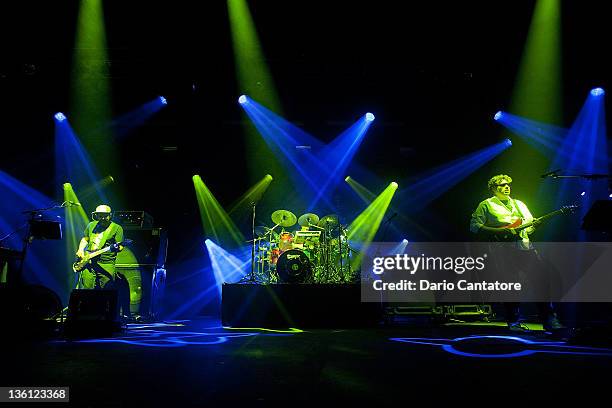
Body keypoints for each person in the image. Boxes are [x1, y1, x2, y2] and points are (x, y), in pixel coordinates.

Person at [469, 174, 563, 332]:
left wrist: (536, 225)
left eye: (508, 185)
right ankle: (513, 322)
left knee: (541, 281)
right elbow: (474, 226)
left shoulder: (519, 204)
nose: (506, 187)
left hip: (526, 247)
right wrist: (498, 231)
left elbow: (530, 226)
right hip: (504, 251)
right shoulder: (486, 205)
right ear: (493, 188)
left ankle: (549, 319)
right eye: (501, 185)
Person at [76, 204, 131, 319]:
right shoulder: (91, 225)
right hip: (89, 262)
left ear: (110, 216)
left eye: (105, 216)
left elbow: (120, 246)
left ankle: (107, 317)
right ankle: (87, 316)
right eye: (99, 215)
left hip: (106, 263)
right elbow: (85, 238)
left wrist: (118, 248)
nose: (102, 218)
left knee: (107, 291)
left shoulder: (116, 228)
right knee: (87, 289)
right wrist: (81, 250)